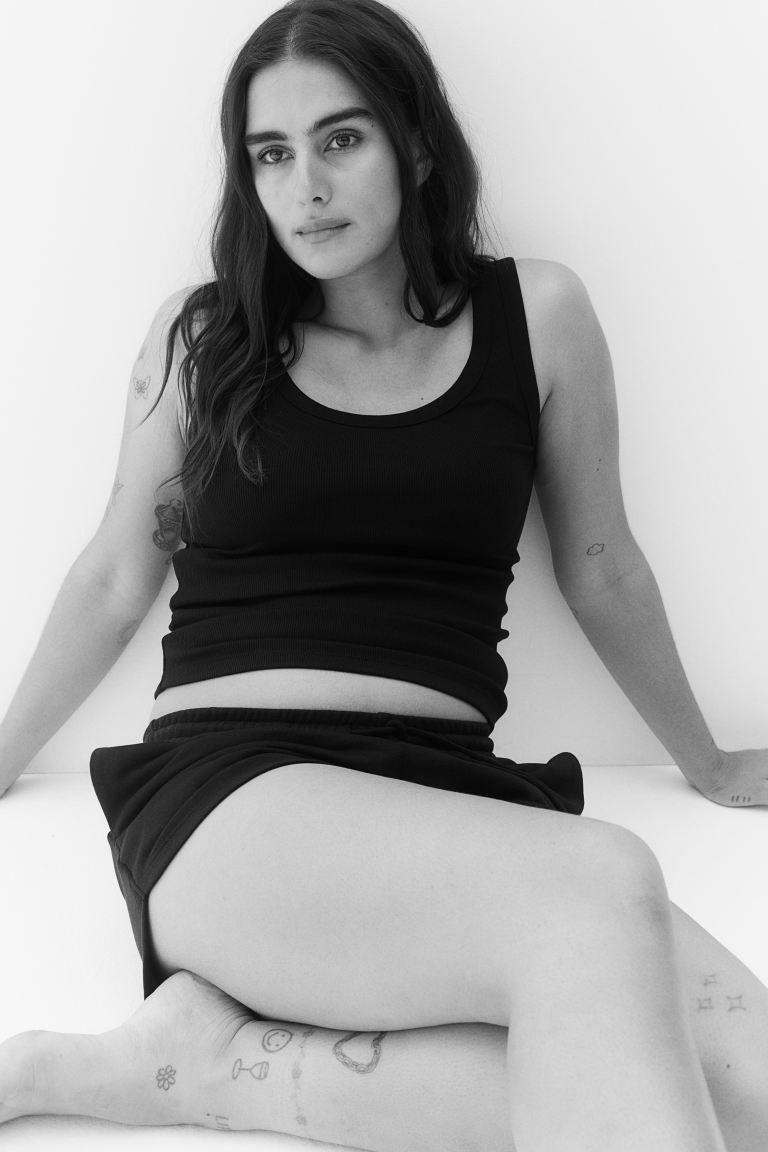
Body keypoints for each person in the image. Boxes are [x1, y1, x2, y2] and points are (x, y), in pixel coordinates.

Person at [0, 0, 766, 1148]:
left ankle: (207, 1067)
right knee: (602, 880)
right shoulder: (204, 340)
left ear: (414, 143)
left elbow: (602, 565)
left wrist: (704, 760)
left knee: (751, 1094)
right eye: (271, 154)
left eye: (341, 139)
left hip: (452, 801)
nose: (305, 186)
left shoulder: (540, 316)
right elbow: (115, 573)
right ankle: (204, 1057)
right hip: (232, 795)